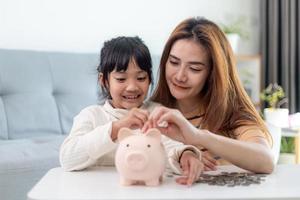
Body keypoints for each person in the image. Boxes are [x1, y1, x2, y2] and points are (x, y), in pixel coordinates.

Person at [59, 36, 203, 185]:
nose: (132, 87)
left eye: (141, 78)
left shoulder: (156, 112)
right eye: (121, 79)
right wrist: (117, 127)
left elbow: (171, 146)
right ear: (104, 80)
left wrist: (186, 155)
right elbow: (68, 159)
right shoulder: (92, 116)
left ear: (150, 79)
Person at [143, 17, 274, 175]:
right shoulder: (150, 112)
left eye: (194, 68)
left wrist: (199, 137)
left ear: (213, 74)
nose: (180, 76)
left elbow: (266, 161)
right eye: (174, 62)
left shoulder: (233, 114)